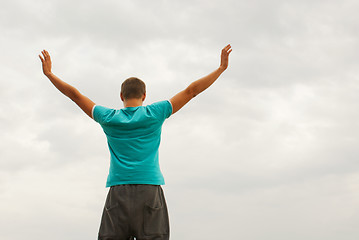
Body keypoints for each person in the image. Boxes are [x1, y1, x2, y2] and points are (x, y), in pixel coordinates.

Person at [39, 44, 232, 240]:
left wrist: (49, 74)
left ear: (121, 96)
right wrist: (220, 69)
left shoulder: (108, 117)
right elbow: (191, 91)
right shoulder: (155, 113)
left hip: (118, 191)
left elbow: (76, 96)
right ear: (144, 95)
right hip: (149, 190)